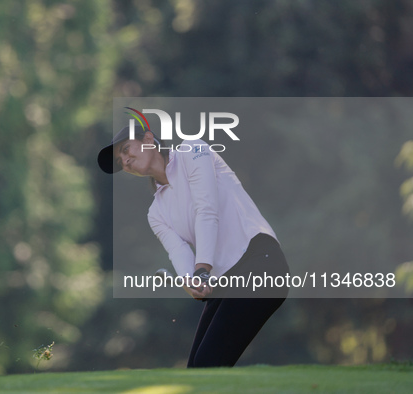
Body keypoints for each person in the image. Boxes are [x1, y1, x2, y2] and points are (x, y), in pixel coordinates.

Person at [97, 125, 290, 368]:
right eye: (119, 160)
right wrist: (191, 282)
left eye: (126, 150)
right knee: (197, 370)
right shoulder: (156, 213)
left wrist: (201, 269)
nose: (125, 161)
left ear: (148, 139)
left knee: (208, 364)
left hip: (260, 262)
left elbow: (206, 209)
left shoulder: (192, 150)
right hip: (224, 282)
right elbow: (178, 251)